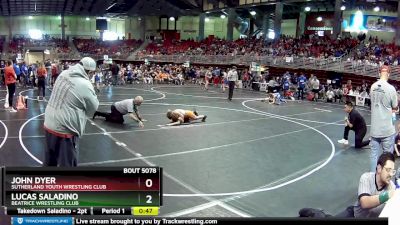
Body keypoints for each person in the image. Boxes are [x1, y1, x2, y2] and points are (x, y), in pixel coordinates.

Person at [43, 57, 99, 167]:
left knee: (49, 160)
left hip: (49, 122)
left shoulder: (64, 73)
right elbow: (93, 109)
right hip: (65, 128)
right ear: (90, 71)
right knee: (67, 164)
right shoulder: (85, 84)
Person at [369, 67, 398, 172]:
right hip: (387, 129)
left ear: (379, 73)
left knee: (373, 156)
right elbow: (395, 106)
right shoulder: (391, 89)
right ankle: (385, 182)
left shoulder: (372, 87)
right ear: (389, 74)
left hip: (375, 129)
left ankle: (373, 180)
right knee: (387, 157)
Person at [354, 152, 397, 218]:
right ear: (379, 168)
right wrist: (387, 195)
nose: (391, 174)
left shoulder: (391, 187)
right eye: (388, 170)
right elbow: (364, 203)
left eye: (393, 171)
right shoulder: (366, 177)